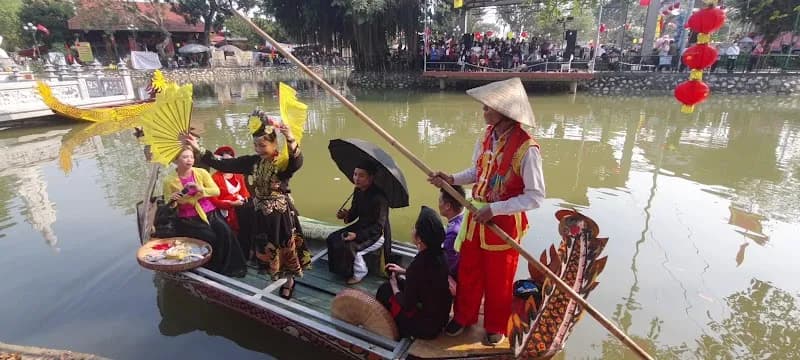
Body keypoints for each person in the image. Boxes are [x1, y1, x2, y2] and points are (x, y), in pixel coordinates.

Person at [429, 77, 545, 345]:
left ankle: (495, 325)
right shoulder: (486, 137)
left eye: (487, 107)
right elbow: (476, 173)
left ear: (503, 111)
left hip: (502, 226)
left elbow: (535, 196)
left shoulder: (527, 149)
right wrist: (451, 179)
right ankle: (463, 317)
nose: (483, 112)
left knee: (500, 280)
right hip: (474, 219)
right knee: (469, 273)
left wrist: (496, 209)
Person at [185, 117, 311, 300]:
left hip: (280, 214)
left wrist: (290, 138)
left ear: (274, 143)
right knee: (266, 248)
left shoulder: (282, 162)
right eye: (255, 145)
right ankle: (275, 275)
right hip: (260, 213)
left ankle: (290, 281)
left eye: (262, 145)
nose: (258, 150)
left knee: (285, 247)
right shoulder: (253, 162)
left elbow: (297, 162)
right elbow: (223, 164)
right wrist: (198, 148)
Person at [163, 147, 247, 278]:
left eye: (191, 157)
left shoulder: (201, 172)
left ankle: (232, 267)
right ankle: (212, 269)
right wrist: (174, 199)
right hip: (188, 217)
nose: (189, 160)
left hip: (209, 211)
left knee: (226, 232)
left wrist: (201, 189)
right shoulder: (169, 180)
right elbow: (169, 205)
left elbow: (216, 191)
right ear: (176, 160)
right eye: (185, 157)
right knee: (210, 238)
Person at [376, 206, 453, 340]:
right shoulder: (441, 255)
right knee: (397, 285)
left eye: (414, 229)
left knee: (386, 290)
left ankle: (395, 332)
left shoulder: (418, 265)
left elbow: (407, 304)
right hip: (441, 318)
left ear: (419, 239)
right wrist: (403, 271)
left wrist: (394, 285)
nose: (412, 230)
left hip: (426, 328)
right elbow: (427, 276)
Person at [326, 161, 390, 285]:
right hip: (360, 226)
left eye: (361, 175)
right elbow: (354, 212)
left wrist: (357, 236)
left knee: (350, 245)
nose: (356, 178)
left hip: (375, 233)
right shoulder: (358, 191)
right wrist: (346, 215)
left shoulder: (380, 198)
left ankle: (360, 272)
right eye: (355, 174)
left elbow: (378, 226)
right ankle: (340, 271)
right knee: (332, 238)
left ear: (371, 178)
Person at [209, 146, 252, 257]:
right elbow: (214, 200)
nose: (228, 164)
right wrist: (231, 204)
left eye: (230, 160)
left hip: (239, 206)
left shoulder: (238, 174)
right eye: (224, 161)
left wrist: (244, 198)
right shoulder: (214, 178)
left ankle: (245, 251)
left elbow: (244, 191)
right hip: (223, 210)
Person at [437, 185, 465, 295]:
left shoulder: (452, 233)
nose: (438, 204)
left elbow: (448, 267)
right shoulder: (462, 220)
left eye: (440, 201)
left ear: (448, 206)